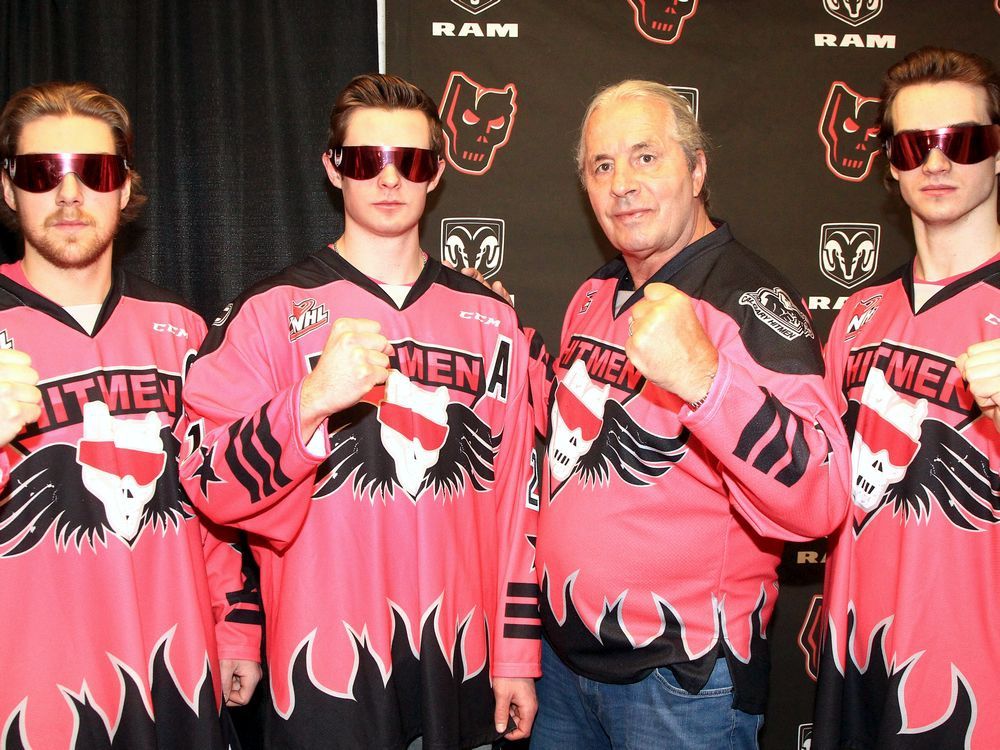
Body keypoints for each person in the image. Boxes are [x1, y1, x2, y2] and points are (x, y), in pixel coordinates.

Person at [178, 73, 540, 750]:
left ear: (435, 174)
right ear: (332, 168)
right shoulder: (270, 311)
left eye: (411, 161)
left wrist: (516, 654)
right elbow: (207, 483)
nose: (389, 179)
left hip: (456, 657)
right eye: (367, 159)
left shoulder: (490, 319)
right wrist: (309, 401)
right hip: (325, 660)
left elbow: (516, 500)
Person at [531, 80, 851, 749]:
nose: (622, 184)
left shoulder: (748, 299)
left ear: (698, 168)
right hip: (565, 665)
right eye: (602, 165)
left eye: (646, 157)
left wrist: (707, 381)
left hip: (680, 680)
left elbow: (820, 496)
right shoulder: (595, 293)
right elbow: (578, 446)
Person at [0, 81, 261, 749]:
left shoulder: (179, 329)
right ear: (9, 188)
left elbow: (210, 505)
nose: (68, 194)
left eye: (94, 171)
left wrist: (234, 625)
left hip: (176, 685)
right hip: (35, 698)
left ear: (123, 187)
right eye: (41, 173)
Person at [814, 47, 1000, 750]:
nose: (938, 162)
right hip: (856, 663)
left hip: (974, 681)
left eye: (964, 141)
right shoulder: (860, 314)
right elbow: (816, 489)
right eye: (916, 144)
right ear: (892, 165)